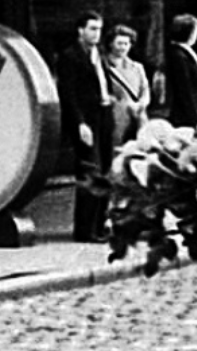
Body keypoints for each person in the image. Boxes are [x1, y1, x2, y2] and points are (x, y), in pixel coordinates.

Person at [57, 12, 115, 242]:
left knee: (105, 170)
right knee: (90, 171)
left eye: (99, 29)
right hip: (86, 119)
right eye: (91, 29)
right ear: (80, 30)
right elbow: (68, 94)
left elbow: (102, 81)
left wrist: (107, 97)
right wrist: (80, 122)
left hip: (103, 115)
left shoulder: (98, 54)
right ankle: (84, 229)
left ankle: (100, 225)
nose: (96, 34)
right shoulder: (70, 56)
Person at [163, 13, 197, 128]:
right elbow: (184, 87)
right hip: (186, 111)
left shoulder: (187, 52)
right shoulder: (178, 55)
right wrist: (193, 115)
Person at [104, 24, 151, 148]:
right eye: (119, 43)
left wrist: (141, 104)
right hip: (116, 117)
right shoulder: (103, 67)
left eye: (126, 44)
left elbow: (145, 89)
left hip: (139, 115)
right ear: (110, 44)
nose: (123, 47)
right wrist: (122, 104)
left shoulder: (137, 67)